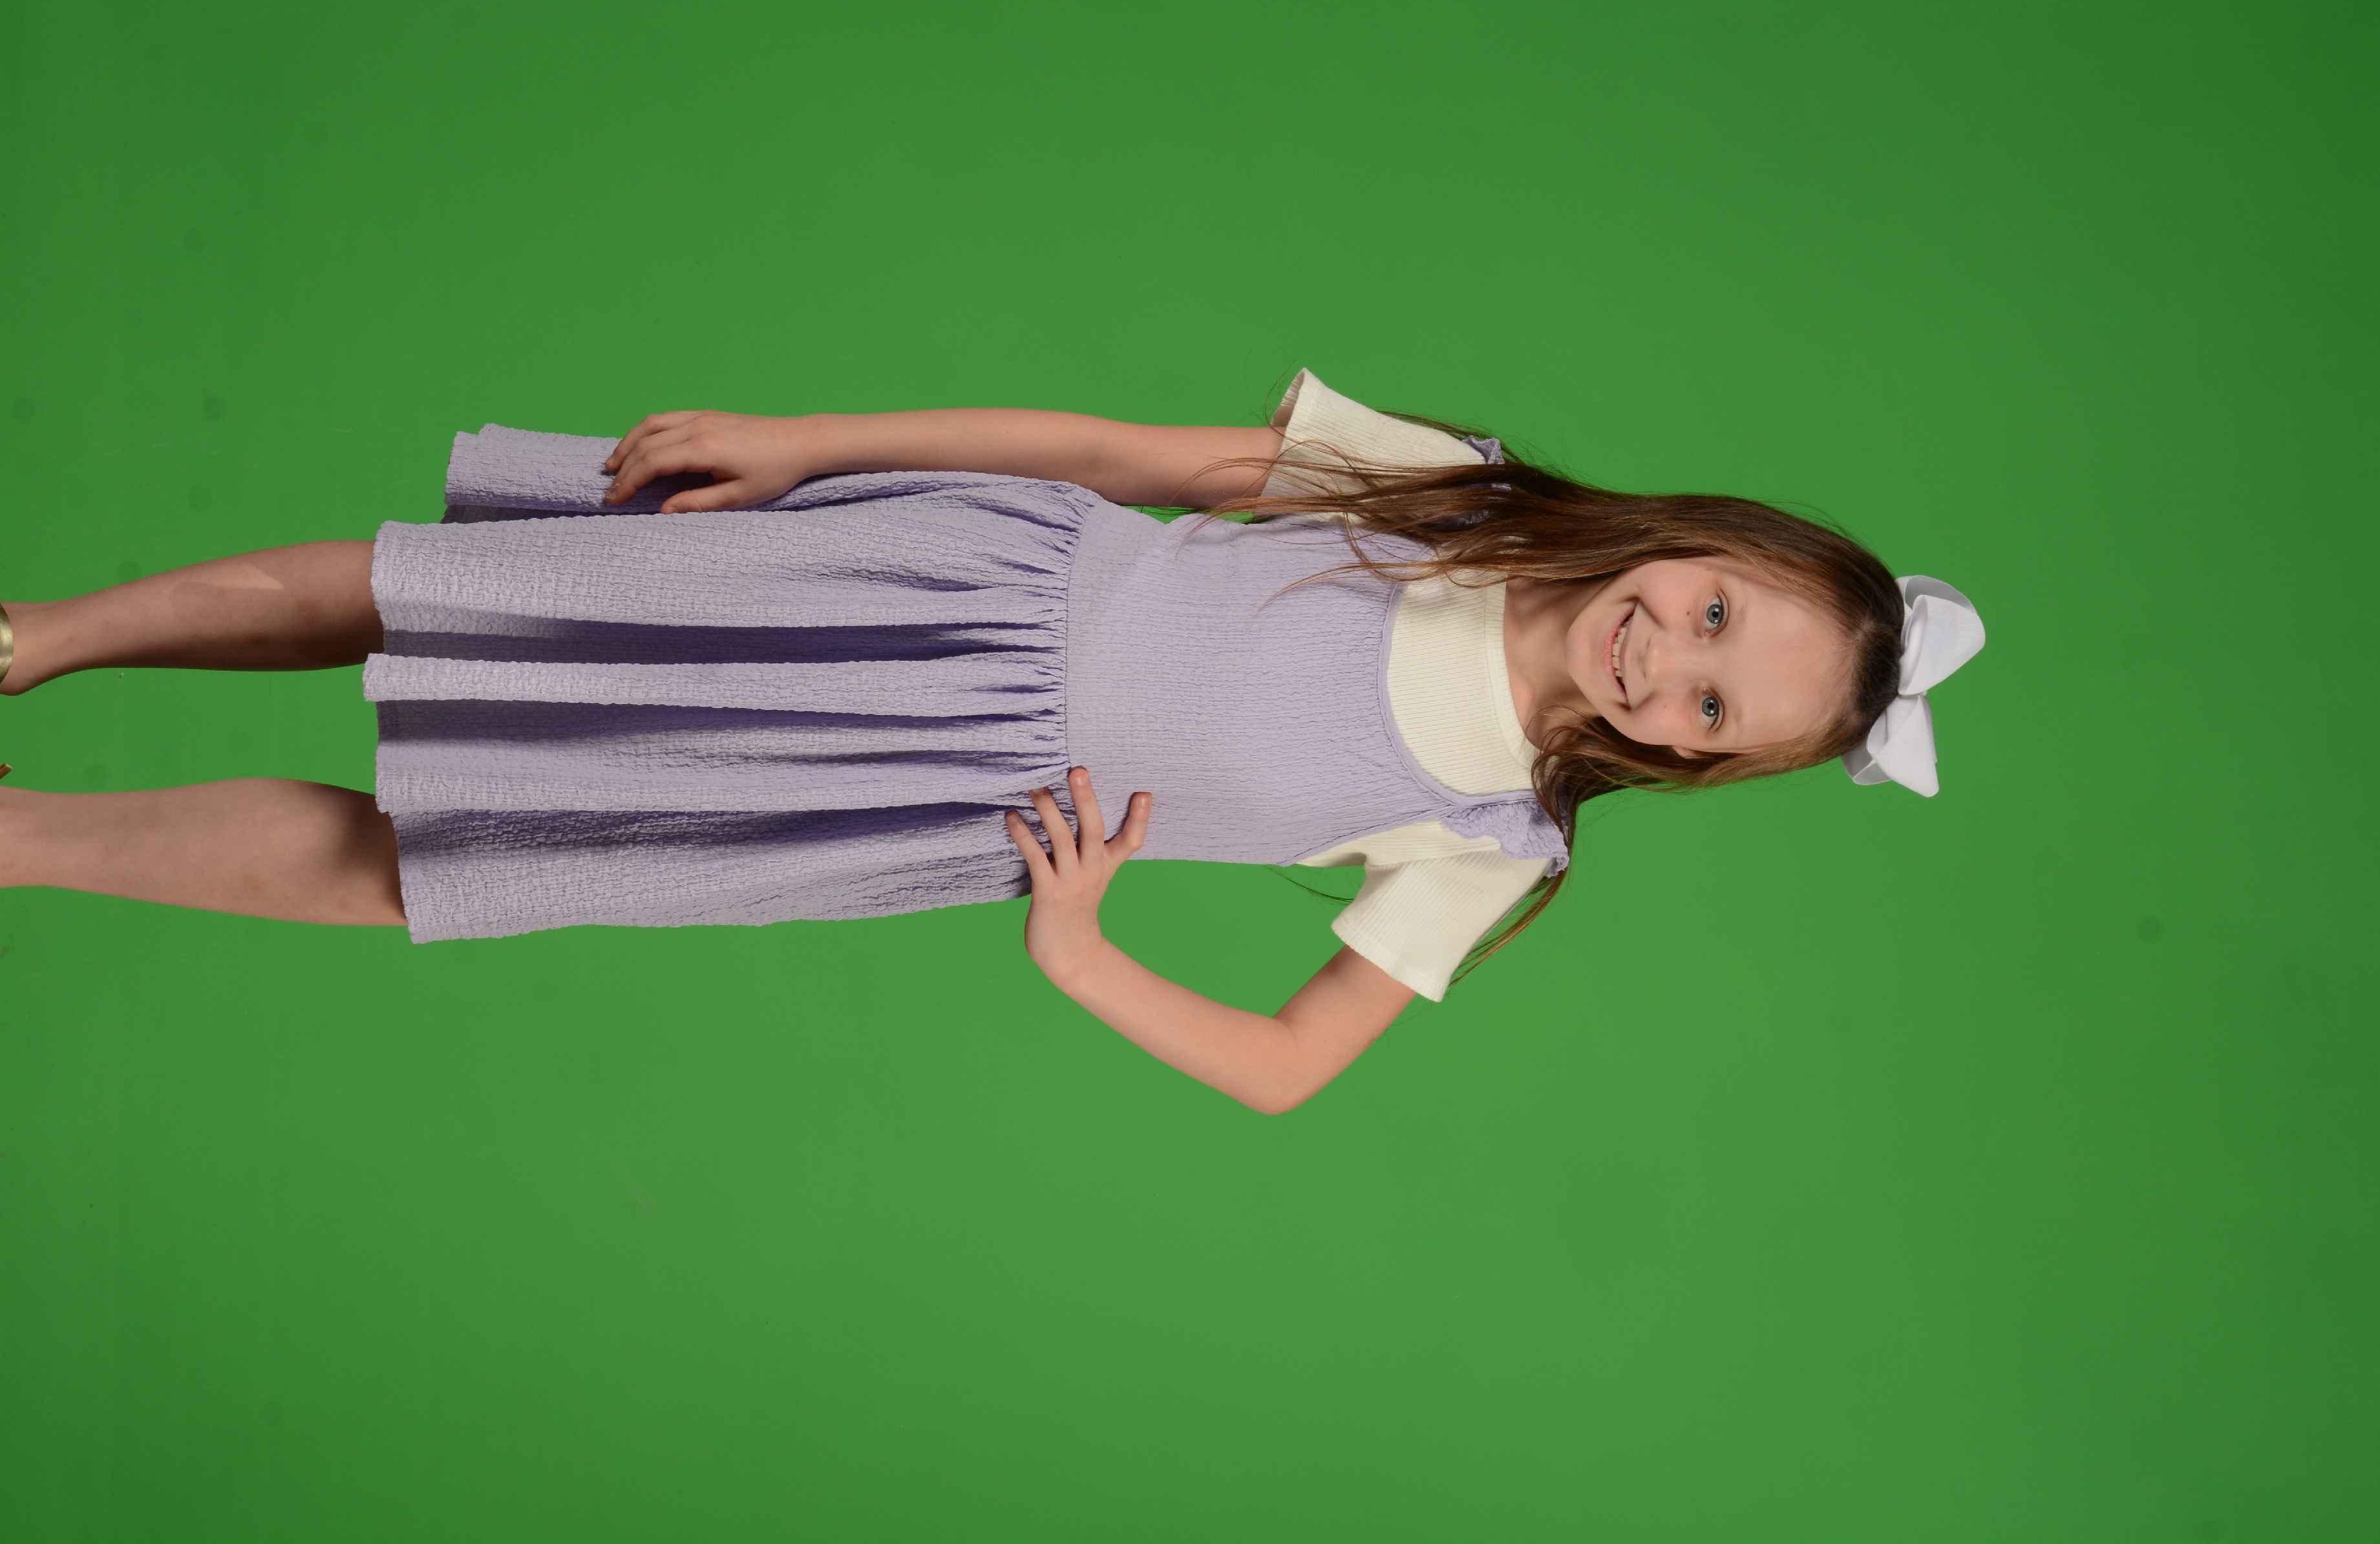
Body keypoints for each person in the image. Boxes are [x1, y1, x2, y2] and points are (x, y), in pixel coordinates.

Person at [0, 372, 1984, 1111]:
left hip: (908, 795)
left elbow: (1287, 1066)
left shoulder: (1495, 833)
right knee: (455, 594)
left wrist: (1079, 948)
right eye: (1714, 615)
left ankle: (17, 837)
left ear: (1703, 763)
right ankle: (40, 640)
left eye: (1711, 708)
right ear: (1712, 540)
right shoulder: (1456, 495)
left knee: (439, 860)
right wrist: (812, 442)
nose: (1667, 664)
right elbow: (1118, 454)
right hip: (928, 578)